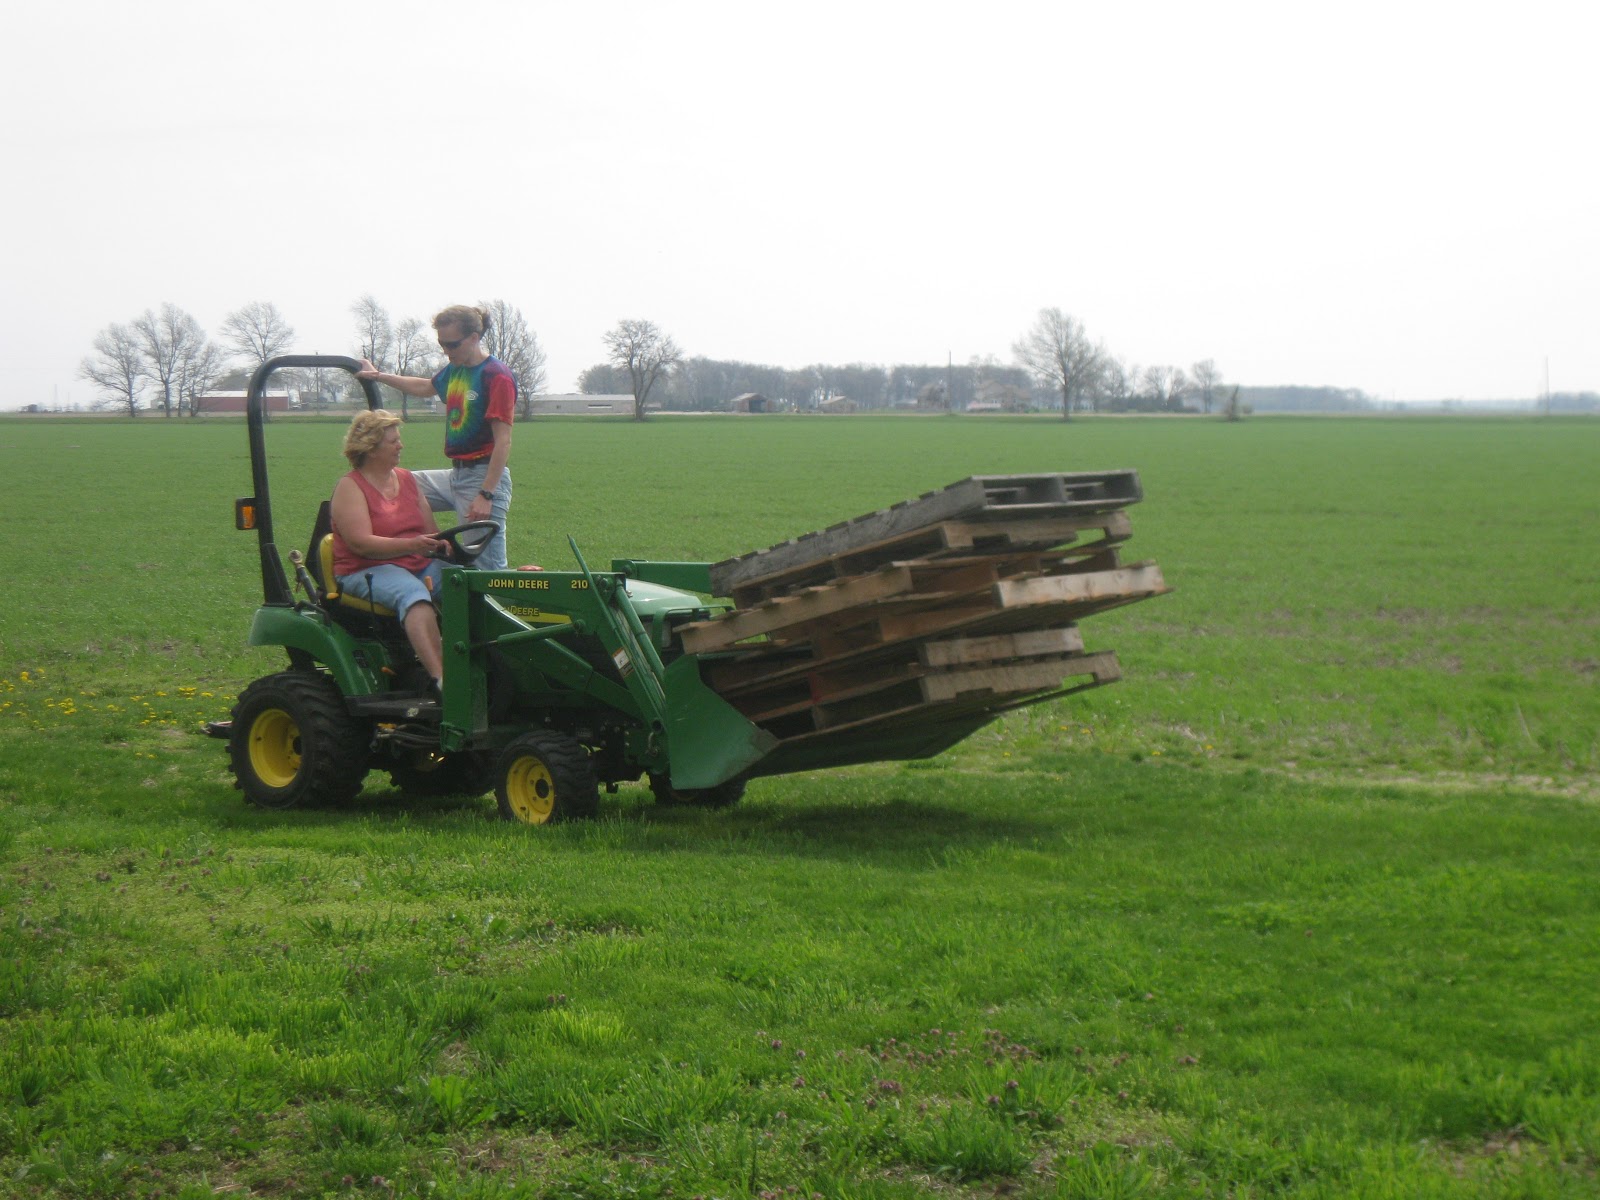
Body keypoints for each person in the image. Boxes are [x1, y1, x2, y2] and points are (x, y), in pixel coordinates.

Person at [357, 304, 514, 569]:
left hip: (483, 478)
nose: (446, 351)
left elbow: (503, 441)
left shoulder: (495, 376)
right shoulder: (456, 369)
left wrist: (486, 494)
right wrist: (378, 376)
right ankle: (399, 554)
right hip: (456, 475)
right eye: (442, 344)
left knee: (486, 572)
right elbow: (426, 386)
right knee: (401, 484)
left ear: (474, 338)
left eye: (452, 345)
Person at [330, 409, 448, 693]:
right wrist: (413, 544)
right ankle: (443, 681)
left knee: (466, 580)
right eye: (393, 441)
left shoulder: (407, 479)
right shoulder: (350, 487)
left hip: (416, 561)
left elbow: (429, 530)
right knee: (414, 595)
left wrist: (444, 545)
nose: (400, 445)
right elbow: (362, 544)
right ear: (371, 449)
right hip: (366, 568)